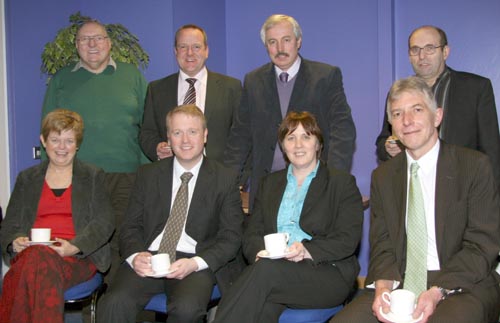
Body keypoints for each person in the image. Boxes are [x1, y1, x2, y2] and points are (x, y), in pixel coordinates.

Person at [332, 76, 500, 323]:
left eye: (417, 110)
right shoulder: (383, 176)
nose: (407, 121)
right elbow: (383, 244)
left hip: (463, 282)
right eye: (398, 114)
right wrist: (383, 289)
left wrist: (436, 291)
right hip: (401, 282)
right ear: (391, 125)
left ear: (437, 116)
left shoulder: (473, 166)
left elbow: (482, 244)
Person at [98, 105, 244, 323]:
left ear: (205, 136)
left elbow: (231, 237)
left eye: (192, 132)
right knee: (112, 303)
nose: (185, 140)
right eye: (177, 133)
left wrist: (196, 263)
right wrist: (135, 256)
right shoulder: (148, 174)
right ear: (168, 137)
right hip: (149, 257)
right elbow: (130, 226)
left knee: (187, 308)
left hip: (194, 260)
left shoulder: (225, 178)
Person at [214, 111, 363, 323]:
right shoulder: (269, 184)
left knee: (260, 276)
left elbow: (347, 240)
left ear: (318, 144)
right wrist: (260, 252)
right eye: (290, 138)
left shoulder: (341, 183)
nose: (298, 144)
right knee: (261, 308)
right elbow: (251, 234)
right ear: (283, 146)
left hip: (326, 273)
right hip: (274, 272)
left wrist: (306, 250)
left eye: (306, 136)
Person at [41, 20, 149, 283]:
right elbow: (49, 129)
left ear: (109, 43)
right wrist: (50, 175)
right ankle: (90, 300)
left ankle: (114, 305)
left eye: (98, 38)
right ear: (76, 46)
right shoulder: (62, 79)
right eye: (85, 39)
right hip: (79, 177)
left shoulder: (132, 75)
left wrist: (149, 171)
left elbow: (148, 125)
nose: (92, 44)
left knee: (122, 240)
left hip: (126, 176)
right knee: (84, 240)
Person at [224, 14, 356, 208]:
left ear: (298, 41)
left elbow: (343, 131)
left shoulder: (325, 77)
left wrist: (331, 181)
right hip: (265, 191)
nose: (280, 49)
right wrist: (227, 183)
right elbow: (239, 137)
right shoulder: (253, 81)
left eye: (286, 40)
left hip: (313, 188)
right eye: (272, 42)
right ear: (266, 46)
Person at [0, 109, 114, 323]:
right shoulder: (27, 178)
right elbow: (10, 225)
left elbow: (104, 221)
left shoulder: (93, 176)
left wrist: (75, 246)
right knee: (38, 258)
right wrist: (15, 242)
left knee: (30, 267)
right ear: (43, 141)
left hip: (77, 258)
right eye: (55, 139)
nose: (62, 147)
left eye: (69, 141)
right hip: (34, 255)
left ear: (77, 144)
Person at [375, 25, 500, 191]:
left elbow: (491, 150)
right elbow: (383, 141)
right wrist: (388, 148)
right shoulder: (399, 92)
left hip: (463, 190)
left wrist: (490, 197)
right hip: (414, 189)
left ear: (445, 52)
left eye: (429, 48)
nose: (422, 56)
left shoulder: (475, 88)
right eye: (415, 50)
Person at [140, 24, 242, 163]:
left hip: (219, 176)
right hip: (171, 176)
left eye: (196, 47)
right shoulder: (157, 89)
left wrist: (236, 178)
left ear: (207, 51)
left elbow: (242, 135)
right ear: (175, 51)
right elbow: (147, 133)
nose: (189, 53)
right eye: (183, 47)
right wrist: (157, 148)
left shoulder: (231, 87)